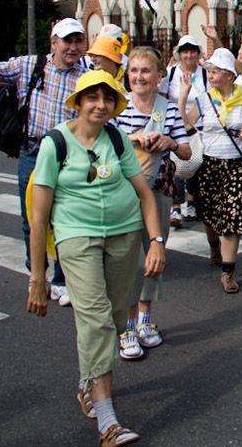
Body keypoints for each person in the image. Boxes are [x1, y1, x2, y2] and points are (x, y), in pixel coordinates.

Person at [26, 70, 165, 447]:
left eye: (107, 99)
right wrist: (38, 277)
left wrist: (155, 241)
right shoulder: (55, 143)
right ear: (79, 101)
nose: (100, 105)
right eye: (92, 98)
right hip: (76, 236)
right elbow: (38, 217)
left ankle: (88, 383)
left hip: (123, 234)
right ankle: (107, 421)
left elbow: (145, 195)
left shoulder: (117, 139)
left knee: (118, 316)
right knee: (97, 320)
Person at [0, 18, 88, 307]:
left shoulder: (87, 73)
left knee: (66, 220)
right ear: (54, 43)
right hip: (33, 151)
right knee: (32, 220)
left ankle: (63, 279)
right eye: (68, 41)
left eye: (78, 41)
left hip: (68, 155)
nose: (73, 47)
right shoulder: (31, 66)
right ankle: (37, 273)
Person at [112, 47, 192, 360]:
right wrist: (134, 138)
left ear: (159, 77)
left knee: (154, 255)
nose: (139, 77)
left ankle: (145, 318)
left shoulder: (168, 109)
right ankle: (127, 325)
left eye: (146, 71)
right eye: (134, 71)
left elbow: (186, 151)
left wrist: (170, 142)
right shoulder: (119, 107)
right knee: (130, 257)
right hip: (125, 193)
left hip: (158, 190)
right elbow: (107, 143)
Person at [179, 48, 242, 293]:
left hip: (235, 162)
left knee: (232, 217)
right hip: (209, 163)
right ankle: (214, 246)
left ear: (229, 75)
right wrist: (183, 98)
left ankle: (228, 271)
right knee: (211, 214)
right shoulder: (204, 99)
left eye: (215, 71)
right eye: (210, 71)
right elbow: (185, 123)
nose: (210, 75)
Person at [158, 34, 208, 229]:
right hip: (174, 124)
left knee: (196, 163)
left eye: (192, 51)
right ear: (179, 54)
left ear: (198, 53)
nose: (189, 55)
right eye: (185, 51)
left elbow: (208, 100)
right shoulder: (170, 74)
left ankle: (192, 201)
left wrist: (191, 120)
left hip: (198, 126)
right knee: (175, 166)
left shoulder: (205, 74)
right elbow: (162, 99)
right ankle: (176, 207)